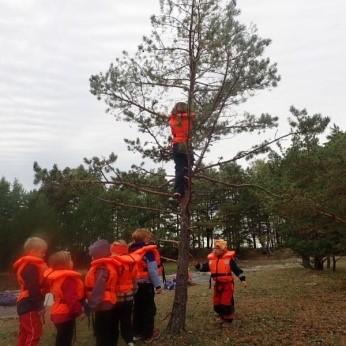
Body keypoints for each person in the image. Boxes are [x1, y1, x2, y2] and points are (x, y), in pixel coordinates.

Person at [195, 239, 246, 327]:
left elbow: (237, 270)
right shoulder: (212, 259)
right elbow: (205, 267)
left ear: (223, 249)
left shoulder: (229, 259)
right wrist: (199, 266)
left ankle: (229, 320)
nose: (215, 250)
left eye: (217, 248)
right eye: (214, 248)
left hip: (227, 285)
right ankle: (222, 317)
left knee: (226, 302)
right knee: (217, 303)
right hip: (218, 284)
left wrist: (243, 279)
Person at [85, 239, 121, 346]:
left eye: (93, 255)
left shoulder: (101, 268)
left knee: (103, 330)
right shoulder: (108, 265)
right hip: (109, 301)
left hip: (103, 303)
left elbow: (99, 288)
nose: (91, 257)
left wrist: (90, 305)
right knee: (110, 327)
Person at [129, 229, 162, 344]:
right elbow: (152, 270)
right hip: (146, 285)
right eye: (149, 237)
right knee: (149, 310)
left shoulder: (130, 251)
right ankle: (148, 335)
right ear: (145, 239)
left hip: (134, 285)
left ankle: (137, 333)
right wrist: (158, 285)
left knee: (137, 309)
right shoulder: (148, 252)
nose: (150, 239)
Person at [13, 237, 48, 346]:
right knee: (34, 333)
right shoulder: (31, 267)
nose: (44, 255)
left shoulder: (29, 266)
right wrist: (40, 306)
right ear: (33, 251)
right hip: (29, 305)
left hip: (24, 304)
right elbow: (33, 288)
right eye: (42, 252)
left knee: (24, 333)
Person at [44, 251, 84, 346]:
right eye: (70, 260)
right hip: (65, 314)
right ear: (65, 264)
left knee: (61, 337)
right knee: (65, 339)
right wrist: (79, 311)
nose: (72, 262)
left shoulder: (56, 278)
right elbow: (71, 299)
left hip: (57, 312)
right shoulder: (68, 279)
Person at [110, 240, 137, 346]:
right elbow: (135, 279)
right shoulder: (131, 262)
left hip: (115, 298)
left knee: (113, 321)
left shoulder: (110, 262)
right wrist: (134, 291)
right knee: (126, 320)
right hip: (129, 297)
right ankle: (129, 340)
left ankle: (113, 341)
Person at [168, 102, 195, 199]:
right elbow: (193, 115)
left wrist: (177, 115)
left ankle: (178, 191)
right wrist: (183, 115)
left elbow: (170, 118)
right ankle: (187, 175)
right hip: (185, 143)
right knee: (189, 162)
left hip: (176, 143)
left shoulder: (172, 119)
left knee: (179, 167)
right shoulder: (188, 117)